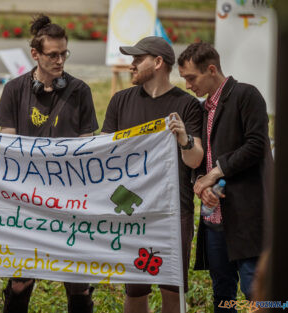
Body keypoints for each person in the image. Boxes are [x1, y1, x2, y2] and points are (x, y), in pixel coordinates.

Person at [0, 14, 98, 313]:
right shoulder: (14, 90)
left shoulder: (80, 91)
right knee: (20, 282)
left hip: (70, 200)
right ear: (35, 54)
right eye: (53, 55)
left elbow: (87, 145)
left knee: (78, 281)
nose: (60, 61)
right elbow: (7, 145)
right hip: (26, 200)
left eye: (64, 54)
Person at [101, 36, 204, 313]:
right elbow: (102, 156)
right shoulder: (120, 101)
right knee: (135, 290)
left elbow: (196, 160)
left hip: (172, 211)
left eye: (137, 59)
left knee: (173, 287)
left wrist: (184, 138)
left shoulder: (188, 105)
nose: (131, 65)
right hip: (129, 210)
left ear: (158, 62)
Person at [178, 42, 272, 312]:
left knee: (256, 290)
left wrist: (215, 173)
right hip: (214, 216)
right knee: (222, 291)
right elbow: (202, 154)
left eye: (191, 78)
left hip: (247, 215)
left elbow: (257, 145)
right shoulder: (202, 107)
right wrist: (201, 181)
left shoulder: (246, 94)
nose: (187, 85)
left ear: (211, 69)